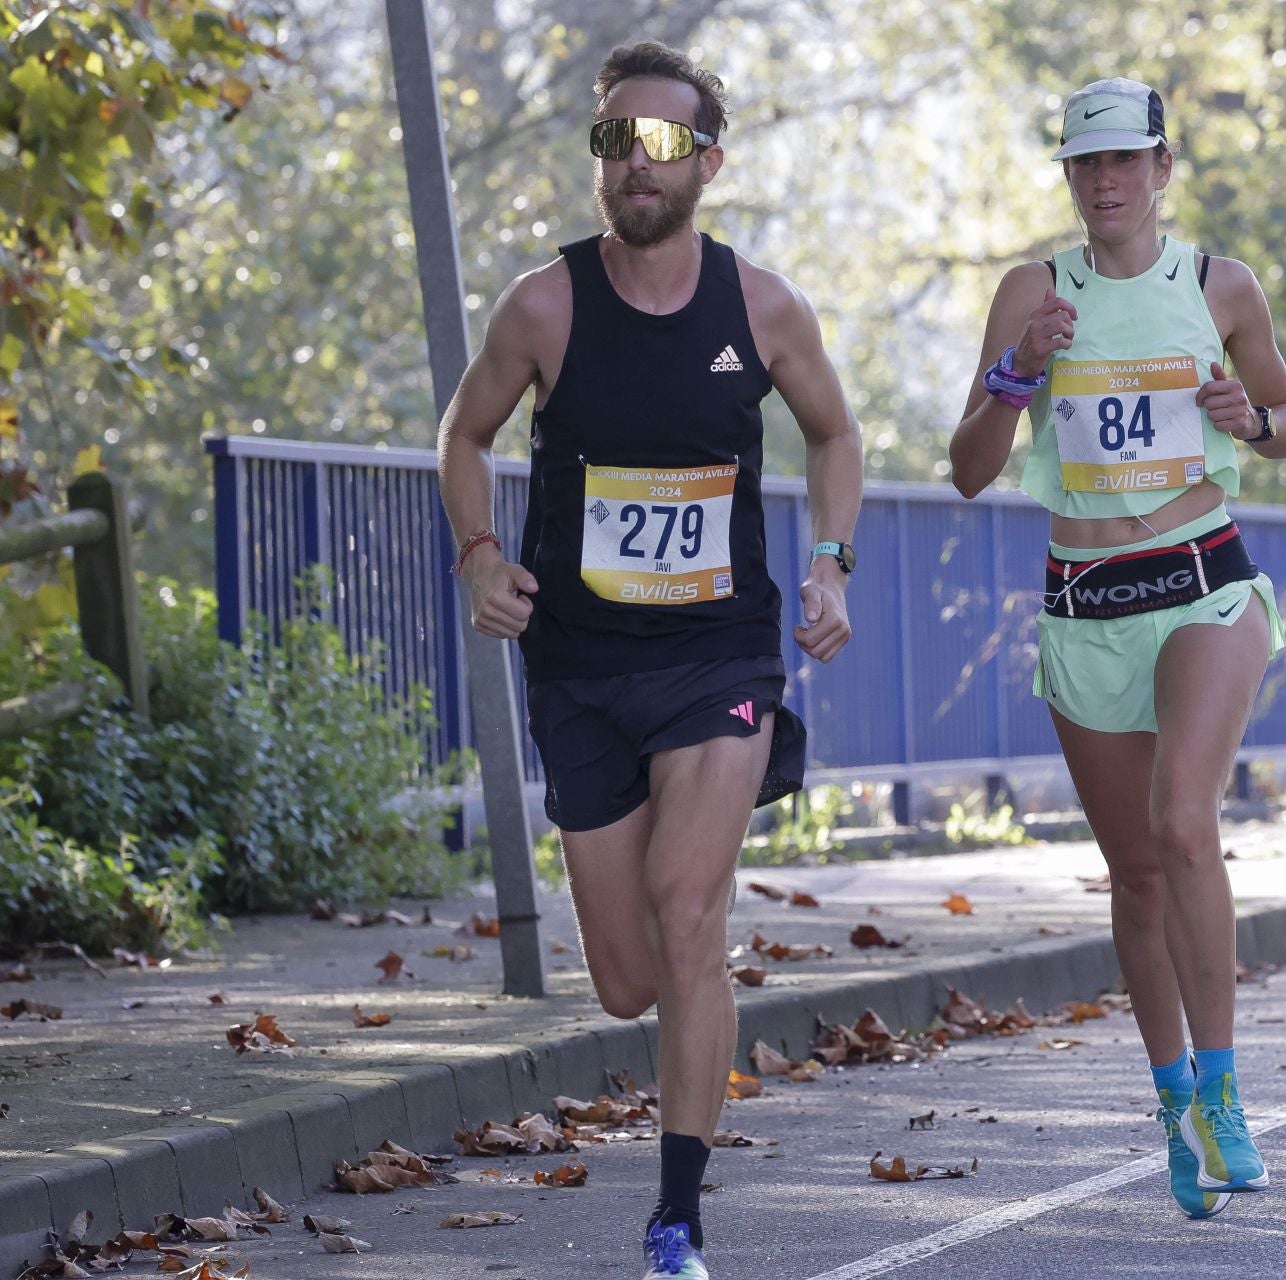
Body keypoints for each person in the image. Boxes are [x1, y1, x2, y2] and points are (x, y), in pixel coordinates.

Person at [437, 40, 862, 1280]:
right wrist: (477, 551)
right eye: (615, 137)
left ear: (708, 163)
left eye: (663, 140)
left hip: (718, 654)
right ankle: (671, 1122)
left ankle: (676, 1215)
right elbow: (463, 434)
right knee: (626, 978)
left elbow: (835, 434)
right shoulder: (544, 304)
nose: (635, 158)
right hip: (578, 664)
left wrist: (831, 560)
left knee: (691, 916)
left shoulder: (763, 308)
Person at [948, 77, 1286, 1220]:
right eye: (1083, 166)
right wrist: (1016, 374)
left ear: (1161, 169)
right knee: (1136, 871)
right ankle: (1173, 1103)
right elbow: (965, 466)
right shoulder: (1030, 291)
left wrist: (1249, 419)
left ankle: (1227, 1085)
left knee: (1181, 820)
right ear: (1069, 179)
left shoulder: (1220, 286)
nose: (1104, 184)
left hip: (1204, 577)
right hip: (1084, 596)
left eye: (1124, 162)